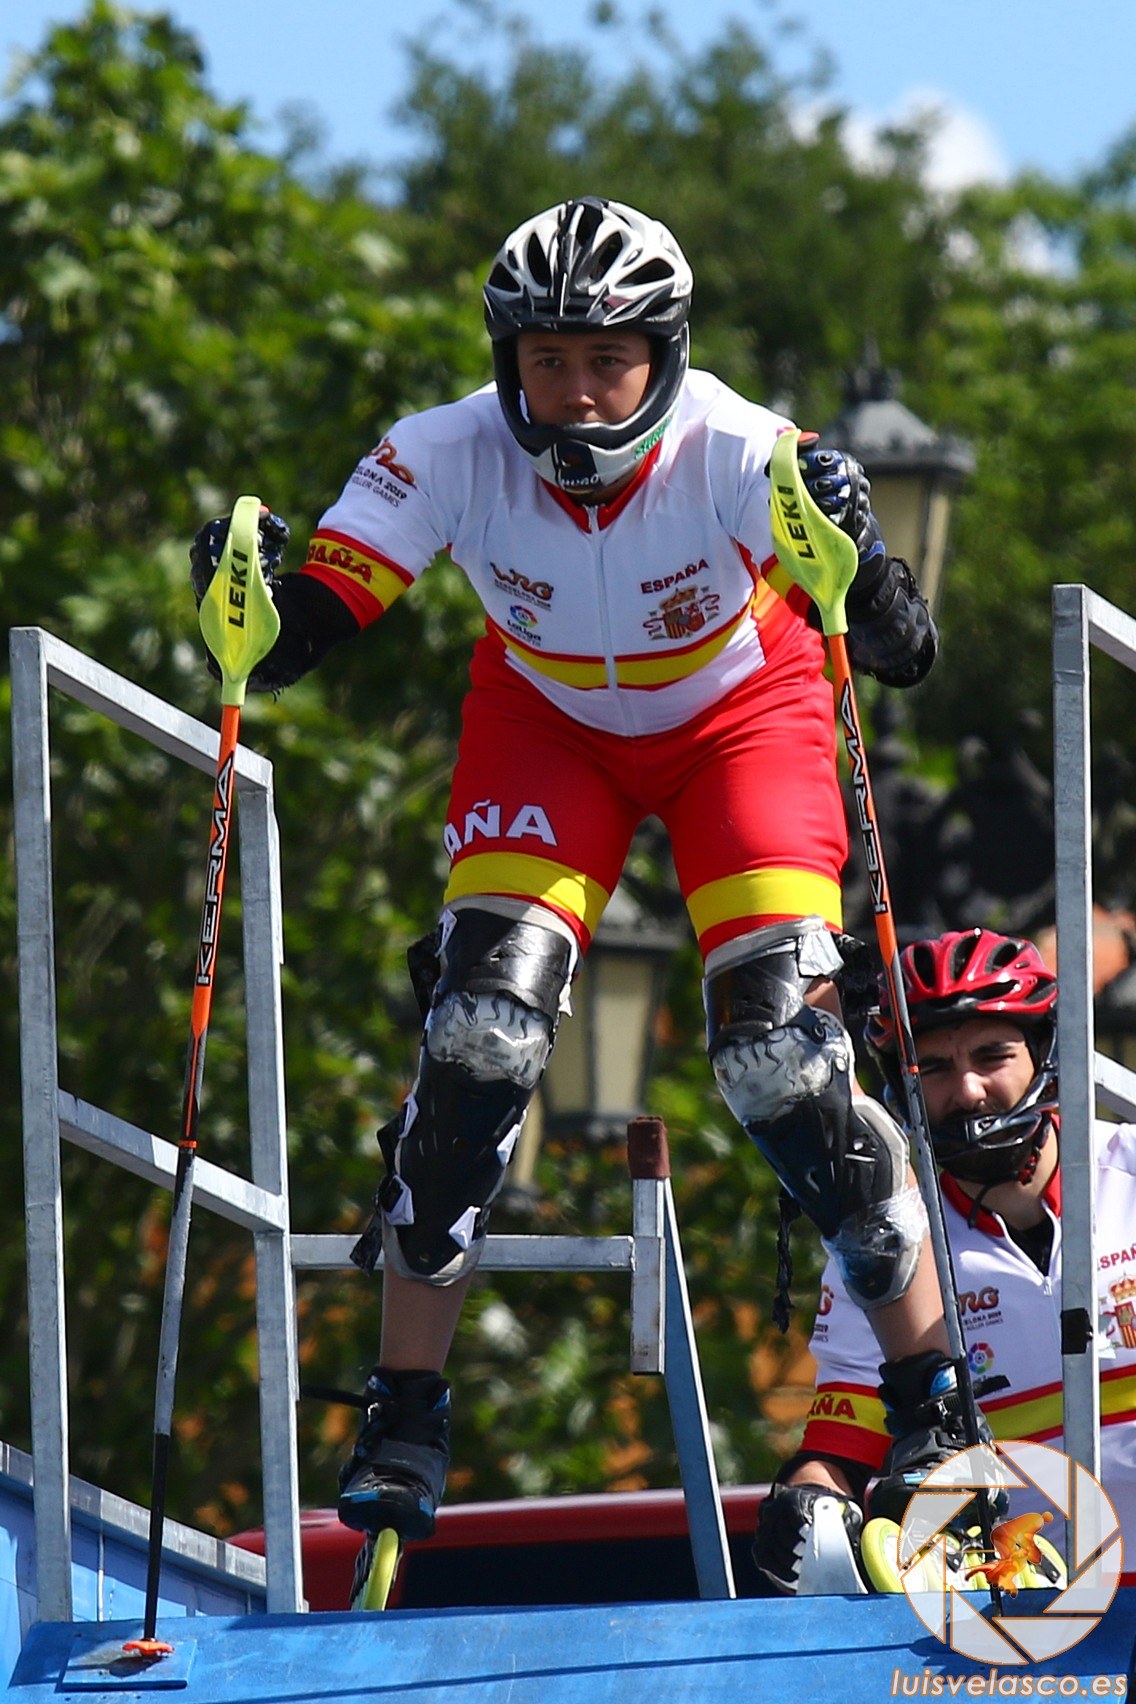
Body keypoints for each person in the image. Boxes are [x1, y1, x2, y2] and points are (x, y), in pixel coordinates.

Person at [190, 195, 949, 1544]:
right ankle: (405, 1414)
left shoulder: (740, 447)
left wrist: (867, 559)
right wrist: (247, 604)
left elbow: (902, 655)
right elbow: (308, 629)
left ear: (665, 355)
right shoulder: (444, 451)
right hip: (548, 725)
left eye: (609, 360)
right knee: (479, 1034)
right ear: (507, 363)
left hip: (740, 718)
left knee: (778, 1056)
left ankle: (927, 1393)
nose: (580, 395)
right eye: (547, 361)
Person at [752, 926, 1136, 1595]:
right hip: (1031, 1622)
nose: (969, 1090)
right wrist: (805, 1502)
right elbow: (840, 1451)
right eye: (932, 1068)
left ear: (1044, 1053)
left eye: (993, 1055)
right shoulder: (882, 1240)